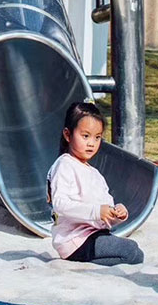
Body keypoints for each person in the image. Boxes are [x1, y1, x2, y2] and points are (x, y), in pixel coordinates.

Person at [46, 101, 144, 266]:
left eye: (97, 137)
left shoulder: (95, 174)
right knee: (131, 251)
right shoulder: (64, 165)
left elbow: (105, 211)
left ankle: (90, 261)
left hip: (94, 234)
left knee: (135, 254)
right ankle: (83, 258)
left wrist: (117, 214)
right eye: (85, 136)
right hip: (75, 239)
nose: (91, 143)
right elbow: (60, 204)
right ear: (68, 135)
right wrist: (96, 212)